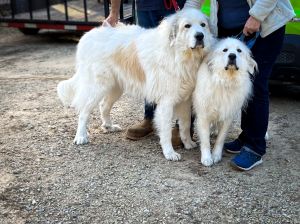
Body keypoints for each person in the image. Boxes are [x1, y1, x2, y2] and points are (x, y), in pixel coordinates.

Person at [105, 0, 295, 171]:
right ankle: (245, 137)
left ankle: (254, 147)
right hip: (231, 27)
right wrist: (179, 22)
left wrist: (256, 16)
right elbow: (194, 3)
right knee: (228, 83)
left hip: (265, 25)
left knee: (256, 82)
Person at [105, 0, 199, 147]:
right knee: (148, 64)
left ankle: (183, 128)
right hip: (146, 6)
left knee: (187, 67)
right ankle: (149, 118)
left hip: (179, 5)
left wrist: (188, 10)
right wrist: (114, 12)